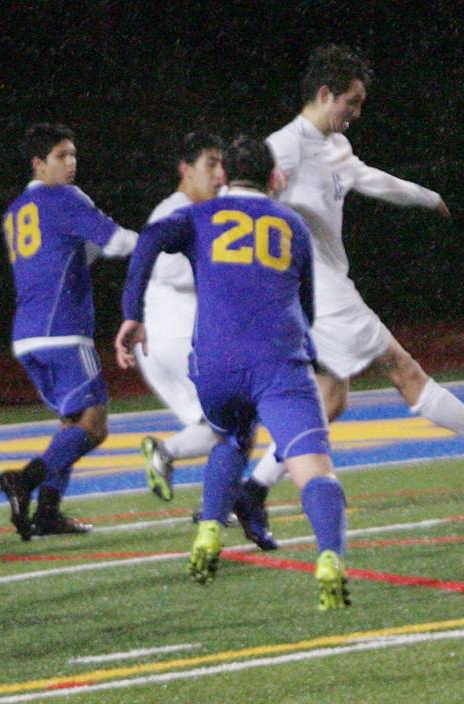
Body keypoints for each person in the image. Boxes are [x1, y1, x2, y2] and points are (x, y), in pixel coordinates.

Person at [224, 44, 464, 551]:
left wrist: (427, 197)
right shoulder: (282, 147)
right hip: (320, 292)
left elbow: (371, 180)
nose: (356, 112)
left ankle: (251, 490)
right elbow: (235, 206)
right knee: (402, 368)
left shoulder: (334, 149)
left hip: (324, 287)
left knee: (329, 402)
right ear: (325, 94)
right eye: (351, 102)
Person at [115, 136, 351, 610]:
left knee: (229, 438)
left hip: (216, 363)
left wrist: (131, 313)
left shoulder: (197, 216)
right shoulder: (291, 224)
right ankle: (330, 558)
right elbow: (305, 307)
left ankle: (208, 530)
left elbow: (148, 245)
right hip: (277, 362)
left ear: (225, 175)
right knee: (312, 465)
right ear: (272, 177)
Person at [0, 123, 138, 540]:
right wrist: (159, 247)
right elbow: (115, 242)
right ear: (38, 163)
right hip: (63, 332)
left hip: (27, 336)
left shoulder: (15, 210)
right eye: (61, 156)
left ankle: (47, 514)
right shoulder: (63, 198)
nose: (71, 163)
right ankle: (24, 480)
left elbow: (69, 257)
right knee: (94, 426)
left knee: (71, 425)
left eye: (73, 154)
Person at [136, 132, 226, 502]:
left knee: (225, 426)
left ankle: (218, 501)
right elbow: (166, 269)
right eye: (211, 164)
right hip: (176, 338)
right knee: (232, 423)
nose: (220, 174)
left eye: (223, 165)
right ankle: (220, 502)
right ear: (185, 170)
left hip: (172, 338)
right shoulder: (176, 210)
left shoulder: (196, 211)